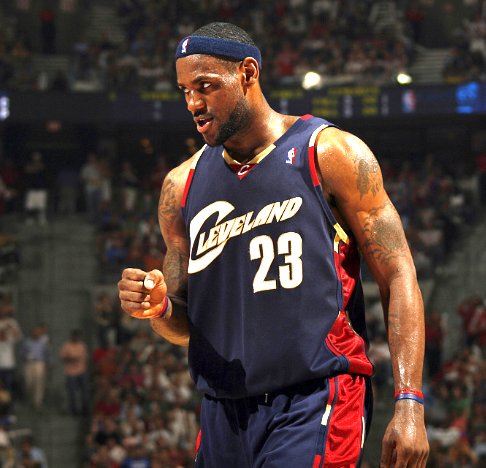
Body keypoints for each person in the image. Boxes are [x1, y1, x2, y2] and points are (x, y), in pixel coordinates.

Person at [117, 22, 428, 468]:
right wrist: (158, 308)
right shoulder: (180, 186)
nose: (193, 104)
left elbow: (398, 275)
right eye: (184, 90)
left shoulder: (329, 153)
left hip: (318, 395)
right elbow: (185, 326)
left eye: (205, 86)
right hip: (223, 410)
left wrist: (409, 400)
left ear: (247, 72)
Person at [20, 324, 52, 409]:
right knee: (28, 382)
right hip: (29, 363)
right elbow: (22, 353)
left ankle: (38, 402)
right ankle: (31, 399)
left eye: (38, 332)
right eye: (35, 331)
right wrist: (25, 356)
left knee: (39, 383)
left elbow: (47, 353)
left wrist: (48, 362)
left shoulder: (43, 342)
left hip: (39, 363)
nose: (36, 333)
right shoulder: (27, 341)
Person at [60, 329, 89, 416]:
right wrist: (71, 358)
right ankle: (74, 410)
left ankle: (85, 409)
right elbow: (62, 357)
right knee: (72, 393)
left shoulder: (82, 345)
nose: (76, 338)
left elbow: (86, 357)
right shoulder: (66, 346)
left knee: (85, 391)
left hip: (81, 371)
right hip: (71, 372)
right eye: (75, 336)